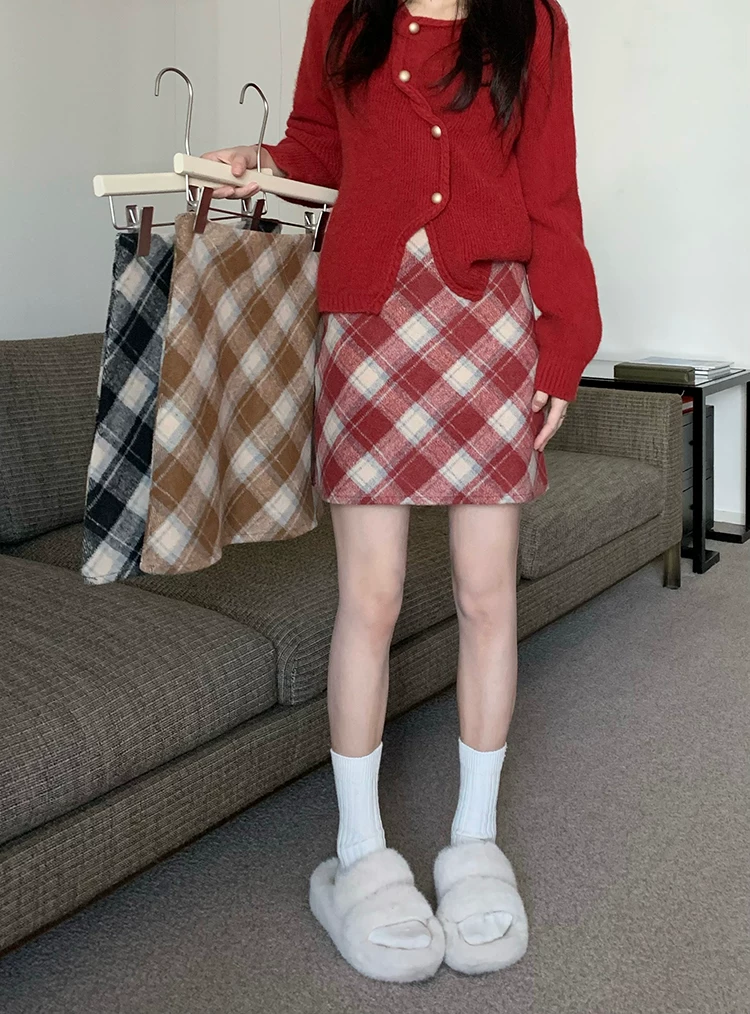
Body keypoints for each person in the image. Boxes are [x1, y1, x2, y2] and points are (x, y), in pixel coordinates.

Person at [203, 0, 601, 983]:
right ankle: (359, 853)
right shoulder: (341, 11)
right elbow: (319, 141)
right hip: (369, 325)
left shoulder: (533, 21)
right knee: (371, 597)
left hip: (491, 325)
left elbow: (552, 187)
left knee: (486, 592)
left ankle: (474, 840)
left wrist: (566, 338)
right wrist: (265, 159)